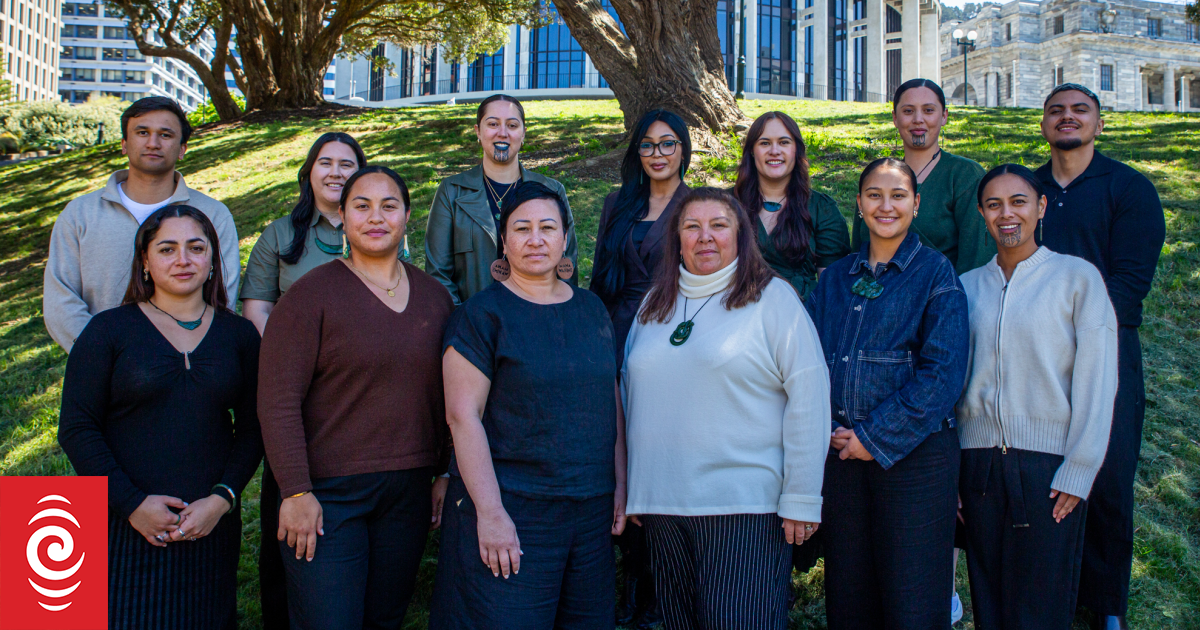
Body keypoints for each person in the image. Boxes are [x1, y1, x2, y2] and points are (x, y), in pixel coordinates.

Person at [622, 187, 830, 630]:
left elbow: (809, 397)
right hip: (663, 508)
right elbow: (631, 396)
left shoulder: (772, 299)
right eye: (691, 226)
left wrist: (802, 496)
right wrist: (638, 485)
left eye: (719, 225)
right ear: (676, 238)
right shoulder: (653, 303)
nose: (705, 237)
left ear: (742, 235)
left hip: (743, 508)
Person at [257, 166, 453, 630]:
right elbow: (277, 401)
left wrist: (443, 471)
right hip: (327, 495)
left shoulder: (434, 298)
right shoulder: (310, 297)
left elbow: (447, 396)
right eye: (361, 206)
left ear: (407, 216)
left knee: (384, 619)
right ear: (342, 218)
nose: (375, 217)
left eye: (389, 206)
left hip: (408, 491)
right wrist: (296, 490)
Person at [430, 182, 627, 629]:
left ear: (564, 238)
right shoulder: (480, 316)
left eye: (547, 227)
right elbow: (462, 417)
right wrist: (491, 513)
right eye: (522, 228)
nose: (535, 239)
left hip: (589, 512)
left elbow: (609, 398)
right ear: (504, 241)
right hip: (515, 510)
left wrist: (620, 481)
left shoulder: (593, 309)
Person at [57, 205, 262, 630]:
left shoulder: (239, 335)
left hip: (207, 525)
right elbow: (76, 428)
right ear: (145, 262)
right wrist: (132, 504)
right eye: (167, 249)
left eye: (196, 248)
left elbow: (254, 428)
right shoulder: (108, 331)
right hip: (123, 523)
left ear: (212, 261)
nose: (183, 260)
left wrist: (222, 500)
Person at [808, 158, 969, 629]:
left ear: (916, 205)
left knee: (912, 599)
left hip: (915, 461)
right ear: (858, 205)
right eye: (874, 195)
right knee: (850, 594)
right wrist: (832, 431)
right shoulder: (835, 278)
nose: (886, 205)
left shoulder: (937, 275)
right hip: (842, 458)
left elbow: (942, 375)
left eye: (898, 195)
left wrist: (873, 438)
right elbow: (809, 363)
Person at [956, 163, 1118, 630]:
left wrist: (1080, 467)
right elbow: (950, 384)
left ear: (1041, 207)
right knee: (989, 597)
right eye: (993, 204)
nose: (1007, 214)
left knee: (1040, 605)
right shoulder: (965, 287)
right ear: (983, 215)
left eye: (1018, 201)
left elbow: (1098, 377)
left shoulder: (1077, 278)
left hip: (1048, 467)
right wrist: (953, 471)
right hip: (979, 463)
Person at [1033, 83, 1166, 630]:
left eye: (1079, 110)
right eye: (1057, 110)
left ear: (1099, 123)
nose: (1068, 117)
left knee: (1107, 481)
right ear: (1044, 124)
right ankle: (1050, 596)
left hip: (1107, 352)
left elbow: (1130, 283)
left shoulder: (1128, 189)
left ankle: (1107, 606)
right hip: (1034, 355)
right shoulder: (1028, 188)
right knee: (1044, 475)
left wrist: (1077, 331)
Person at [237, 132, 366, 629]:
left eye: (346, 163)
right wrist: (293, 371)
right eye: (325, 162)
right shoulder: (279, 236)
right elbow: (257, 310)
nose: (335, 172)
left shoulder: (378, 228)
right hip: (296, 391)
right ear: (309, 171)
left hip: (358, 390)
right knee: (286, 491)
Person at [589, 109, 689, 629]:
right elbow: (600, 277)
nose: (657, 153)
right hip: (616, 331)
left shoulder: (696, 205)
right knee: (620, 453)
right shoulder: (617, 204)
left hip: (671, 335)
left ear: (683, 150)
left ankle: (661, 587)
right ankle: (629, 580)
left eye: (667, 144)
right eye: (648, 145)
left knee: (658, 452)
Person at [44, 96, 240, 353]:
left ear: (182, 149)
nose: (153, 143)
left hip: (188, 366)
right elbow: (61, 299)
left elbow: (222, 294)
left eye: (166, 135)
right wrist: (102, 353)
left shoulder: (214, 215)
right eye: (142, 132)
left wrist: (181, 354)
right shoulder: (81, 214)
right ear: (124, 144)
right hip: (100, 364)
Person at [425, 94, 579, 304]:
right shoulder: (451, 192)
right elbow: (438, 276)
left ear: (523, 133)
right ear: (478, 132)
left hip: (538, 322)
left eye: (512, 125)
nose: (503, 133)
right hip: (473, 327)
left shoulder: (552, 190)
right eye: (493, 124)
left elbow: (567, 267)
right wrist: (466, 323)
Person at [851, 79, 993, 276]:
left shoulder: (964, 175)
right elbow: (858, 254)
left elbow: (976, 259)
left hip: (942, 298)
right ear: (895, 118)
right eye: (908, 111)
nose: (918, 119)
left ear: (944, 116)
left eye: (928, 110)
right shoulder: (876, 178)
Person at [733, 111, 850, 301]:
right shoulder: (726, 204)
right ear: (752, 151)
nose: (774, 150)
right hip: (737, 314)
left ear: (796, 150)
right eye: (764, 143)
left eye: (784, 142)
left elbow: (833, 290)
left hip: (801, 317)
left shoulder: (823, 210)